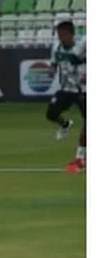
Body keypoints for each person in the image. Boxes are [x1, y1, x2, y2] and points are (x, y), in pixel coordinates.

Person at [45, 21, 86, 173]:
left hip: (84, 89)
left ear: (72, 35)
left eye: (64, 35)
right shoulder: (56, 47)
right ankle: (65, 124)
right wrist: (52, 70)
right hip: (66, 89)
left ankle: (80, 157)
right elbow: (54, 63)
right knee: (51, 114)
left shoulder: (83, 44)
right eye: (59, 35)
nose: (61, 38)